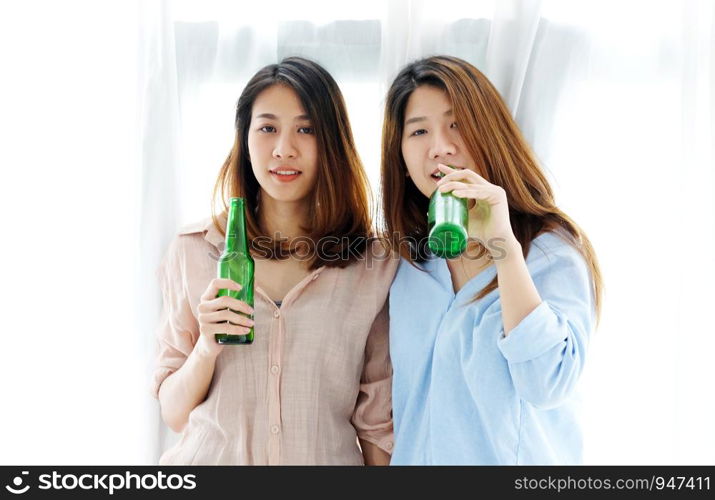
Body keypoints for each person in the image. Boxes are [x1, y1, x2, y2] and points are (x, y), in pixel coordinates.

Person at [152, 57, 396, 465]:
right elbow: (173, 413)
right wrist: (206, 349)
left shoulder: (373, 264)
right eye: (267, 128)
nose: (284, 149)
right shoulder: (193, 249)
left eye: (306, 129)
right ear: (245, 140)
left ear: (332, 143)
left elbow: (375, 424)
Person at [380, 55, 603, 464]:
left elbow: (547, 384)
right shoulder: (406, 263)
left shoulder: (550, 251)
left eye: (457, 124)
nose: (440, 147)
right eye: (419, 131)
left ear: (489, 131)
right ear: (401, 154)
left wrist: (504, 247)